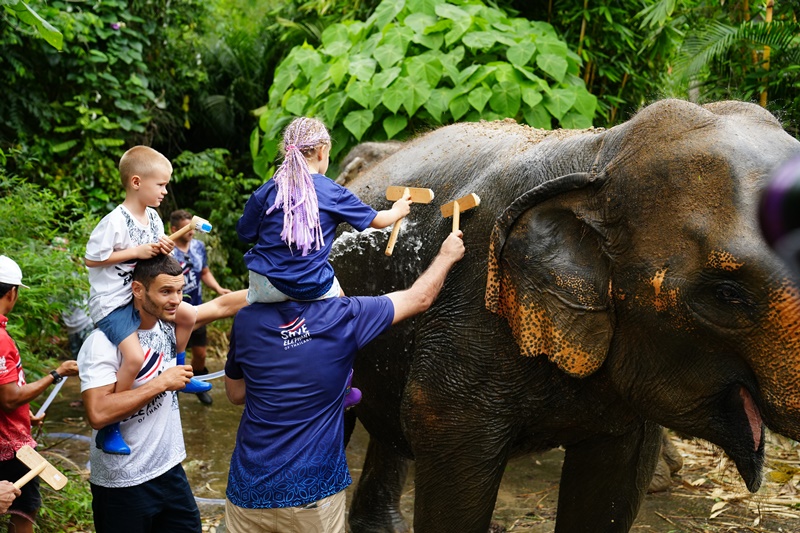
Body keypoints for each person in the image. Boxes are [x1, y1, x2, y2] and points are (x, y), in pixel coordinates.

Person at [224, 230, 465, 532]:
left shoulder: (246, 321)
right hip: (311, 497)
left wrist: (279, 376)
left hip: (248, 490)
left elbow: (235, 393)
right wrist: (447, 255)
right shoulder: (343, 316)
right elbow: (420, 298)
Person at [237, 116, 412, 408]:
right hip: (310, 287)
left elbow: (244, 232)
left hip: (264, 286)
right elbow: (379, 222)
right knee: (342, 308)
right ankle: (342, 386)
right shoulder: (331, 190)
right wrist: (398, 209)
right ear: (321, 151)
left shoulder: (267, 190)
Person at [78, 254, 247, 533]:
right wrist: (160, 383)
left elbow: (222, 305)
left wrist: (283, 285)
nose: (176, 300)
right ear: (138, 290)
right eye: (166, 291)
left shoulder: (168, 324)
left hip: (169, 471)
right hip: (123, 483)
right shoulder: (103, 343)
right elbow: (98, 413)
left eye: (180, 291)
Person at [84, 145, 203, 455]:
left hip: (139, 297)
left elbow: (153, 265)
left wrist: (163, 248)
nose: (165, 191)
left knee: (189, 316)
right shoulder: (115, 221)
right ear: (136, 182)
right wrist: (136, 251)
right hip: (114, 303)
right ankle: (111, 426)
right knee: (135, 358)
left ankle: (181, 372)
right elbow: (92, 259)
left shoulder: (153, 217)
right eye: (160, 184)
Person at [0, 255, 79, 533]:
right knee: (25, 510)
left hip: (9, 431)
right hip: (9, 446)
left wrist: (25, 414)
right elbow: (8, 397)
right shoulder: (0, 339)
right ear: (12, 293)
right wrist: (55, 374)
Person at [169, 209, 231, 405]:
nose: (192, 232)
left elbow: (204, 272)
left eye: (193, 228)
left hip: (197, 307)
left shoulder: (198, 247)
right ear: (174, 229)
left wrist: (219, 289)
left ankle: (195, 379)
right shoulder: (167, 249)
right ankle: (173, 386)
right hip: (173, 310)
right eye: (187, 229)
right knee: (174, 351)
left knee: (200, 353)